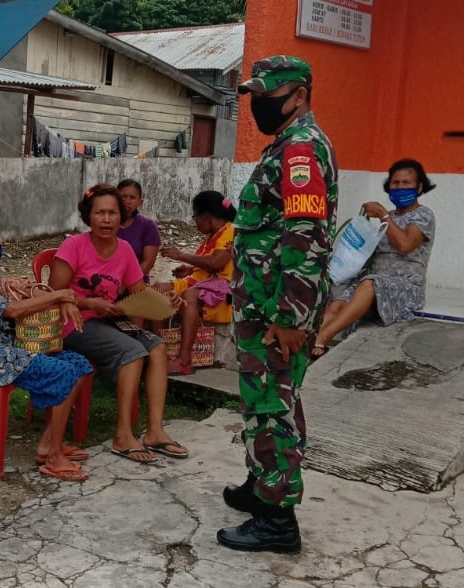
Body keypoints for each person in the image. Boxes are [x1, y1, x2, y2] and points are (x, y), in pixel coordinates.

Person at [217, 55, 338, 554]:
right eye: (255, 98)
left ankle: (277, 520)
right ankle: (260, 483)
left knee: (272, 407)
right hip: (263, 304)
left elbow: (305, 235)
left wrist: (290, 318)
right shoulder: (286, 146)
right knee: (266, 401)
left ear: (300, 95)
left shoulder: (302, 151)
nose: (259, 106)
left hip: (276, 310)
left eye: (268, 97)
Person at [0, 213, 94, 481]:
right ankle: (55, 458)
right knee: (61, 372)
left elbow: (9, 297)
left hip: (4, 346)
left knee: (79, 364)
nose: (0, 243)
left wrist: (23, 288)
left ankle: (48, 444)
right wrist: (57, 295)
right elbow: (10, 310)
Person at [48, 184, 188, 465]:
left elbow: (138, 292)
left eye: (113, 213)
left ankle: (155, 431)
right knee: (132, 352)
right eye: (100, 213)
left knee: (158, 347)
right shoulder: (74, 245)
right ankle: (123, 434)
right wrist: (90, 304)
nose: (107, 219)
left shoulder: (124, 250)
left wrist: (165, 296)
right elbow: (52, 293)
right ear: (88, 217)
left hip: (109, 321)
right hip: (73, 322)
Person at [312, 159, 436, 358]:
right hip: (372, 282)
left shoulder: (423, 215)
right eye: (396, 183)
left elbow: (405, 245)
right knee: (337, 304)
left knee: (370, 283)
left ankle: (324, 337)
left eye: (407, 183)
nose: (400, 187)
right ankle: (310, 340)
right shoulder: (388, 217)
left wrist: (384, 216)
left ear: (419, 187)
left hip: (405, 286)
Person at [157, 191, 237, 375]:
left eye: (195, 216)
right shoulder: (212, 235)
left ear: (207, 215)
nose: (195, 222)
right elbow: (206, 262)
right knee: (158, 290)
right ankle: (159, 350)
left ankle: (184, 359)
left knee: (190, 296)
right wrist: (190, 268)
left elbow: (217, 263)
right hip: (202, 281)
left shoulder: (230, 231)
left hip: (222, 286)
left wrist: (180, 255)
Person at [116, 179, 161, 282]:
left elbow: (148, 262)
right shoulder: (107, 224)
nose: (127, 201)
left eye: (132, 197)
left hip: (136, 284)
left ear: (140, 202)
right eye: (123, 196)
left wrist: (127, 283)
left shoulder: (148, 226)